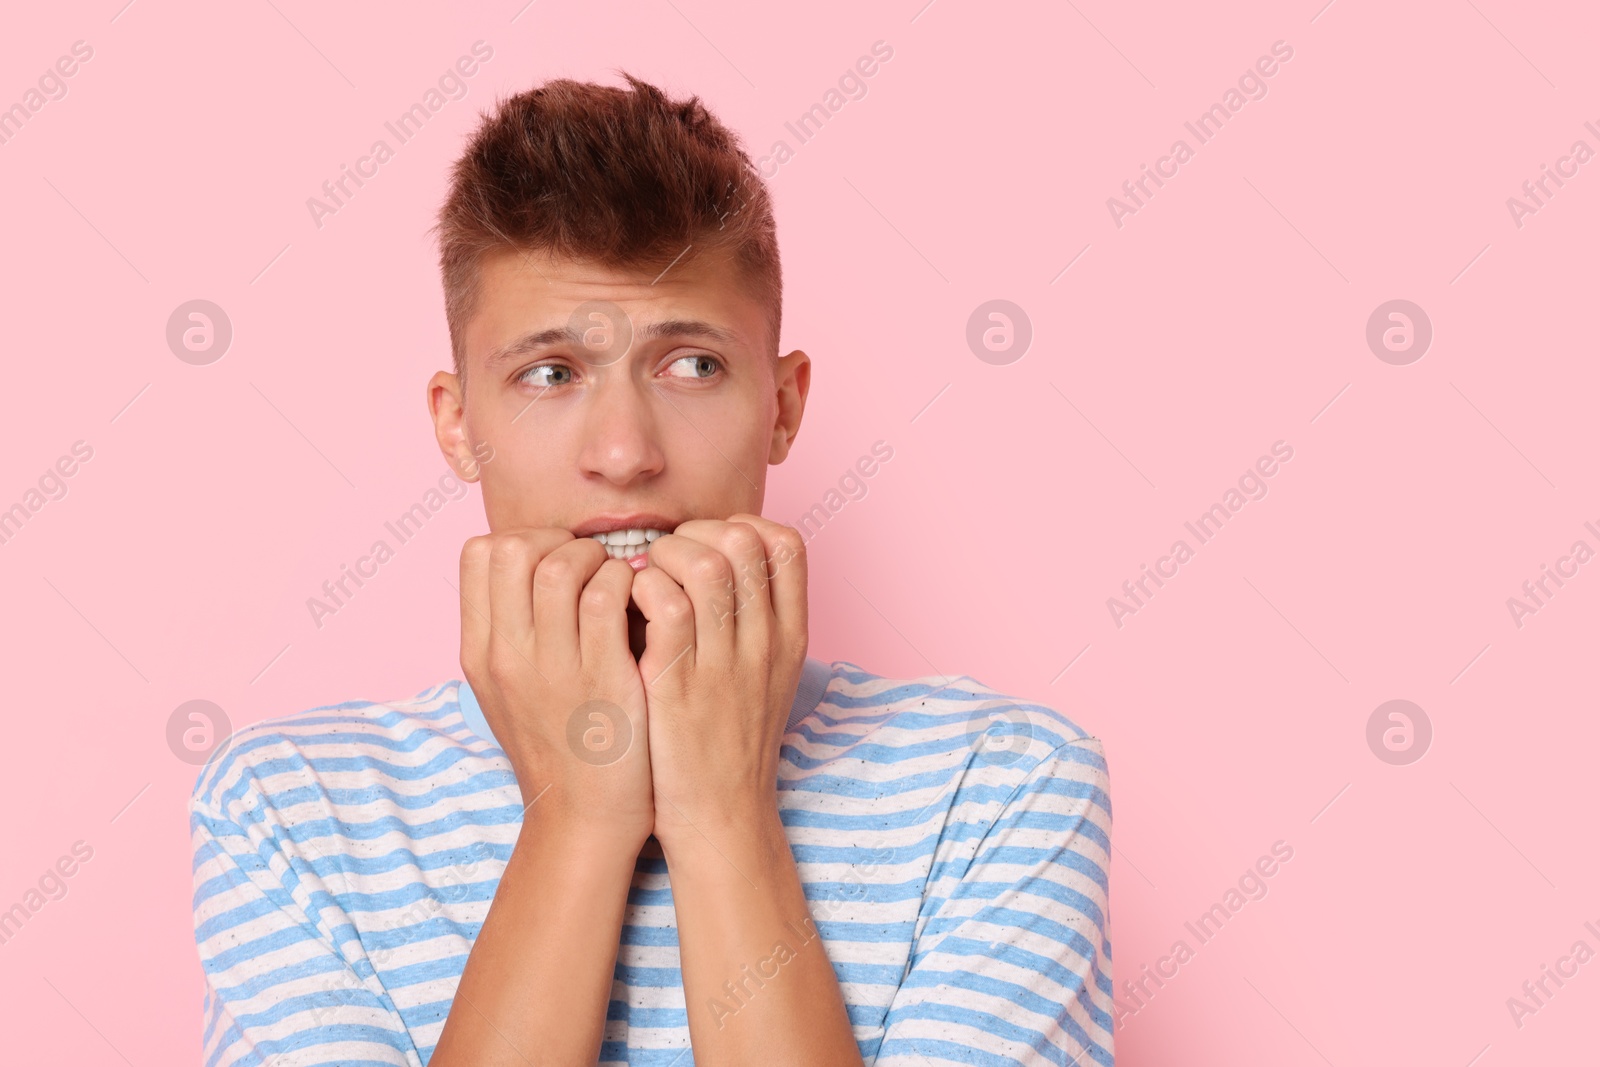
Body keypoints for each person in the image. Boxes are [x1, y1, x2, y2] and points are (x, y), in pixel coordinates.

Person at [188, 72, 1114, 1066]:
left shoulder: (1000, 789)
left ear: (784, 404)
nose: (625, 452)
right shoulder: (290, 811)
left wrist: (723, 815)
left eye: (690, 365)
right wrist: (577, 818)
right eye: (550, 374)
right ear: (459, 425)